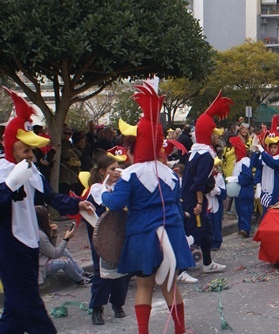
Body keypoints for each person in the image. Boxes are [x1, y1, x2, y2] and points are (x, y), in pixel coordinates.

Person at [101, 83, 195, 334]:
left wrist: (103, 191)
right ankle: (179, 330)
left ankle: (144, 332)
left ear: (133, 148)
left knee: (144, 286)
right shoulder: (172, 174)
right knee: (170, 286)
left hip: (143, 236)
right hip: (171, 235)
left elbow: (115, 204)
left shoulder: (130, 174)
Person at [0, 87, 93, 334]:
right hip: (9, 246)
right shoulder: (1, 170)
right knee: (29, 305)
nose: (31, 155)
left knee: (14, 307)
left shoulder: (31, 169)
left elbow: (51, 197)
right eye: (26, 150)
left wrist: (77, 204)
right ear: (10, 145)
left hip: (29, 244)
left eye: (32, 150)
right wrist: (9, 184)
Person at [182, 93, 232, 277]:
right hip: (194, 201)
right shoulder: (204, 155)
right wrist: (200, 203)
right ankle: (179, 268)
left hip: (190, 197)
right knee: (195, 232)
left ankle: (207, 263)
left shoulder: (195, 153)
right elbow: (199, 182)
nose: (216, 136)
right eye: (214, 132)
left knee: (205, 231)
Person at [84, 154, 130, 325]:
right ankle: (97, 308)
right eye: (112, 169)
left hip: (120, 234)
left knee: (122, 271)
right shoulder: (96, 190)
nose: (116, 172)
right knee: (102, 273)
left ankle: (118, 305)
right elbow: (88, 214)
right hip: (103, 238)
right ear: (103, 171)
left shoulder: (122, 188)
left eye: (118, 169)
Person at [36, 205, 90, 286]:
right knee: (65, 262)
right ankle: (81, 280)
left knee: (64, 251)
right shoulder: (39, 234)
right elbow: (54, 254)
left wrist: (54, 234)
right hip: (40, 269)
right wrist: (66, 239)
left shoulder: (38, 231)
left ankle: (82, 273)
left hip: (43, 260)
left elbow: (50, 249)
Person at [253, 117, 279, 216]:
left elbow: (273, 164)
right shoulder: (265, 156)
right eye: (271, 147)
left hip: (274, 191)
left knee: (273, 213)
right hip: (265, 190)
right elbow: (255, 164)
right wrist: (256, 152)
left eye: (275, 147)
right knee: (264, 214)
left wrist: (263, 152)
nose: (272, 150)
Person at [231, 137, 255, 238]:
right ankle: (242, 227)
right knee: (240, 209)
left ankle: (245, 228)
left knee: (245, 209)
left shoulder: (244, 162)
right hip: (239, 190)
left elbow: (246, 177)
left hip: (245, 190)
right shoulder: (239, 162)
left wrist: (236, 179)